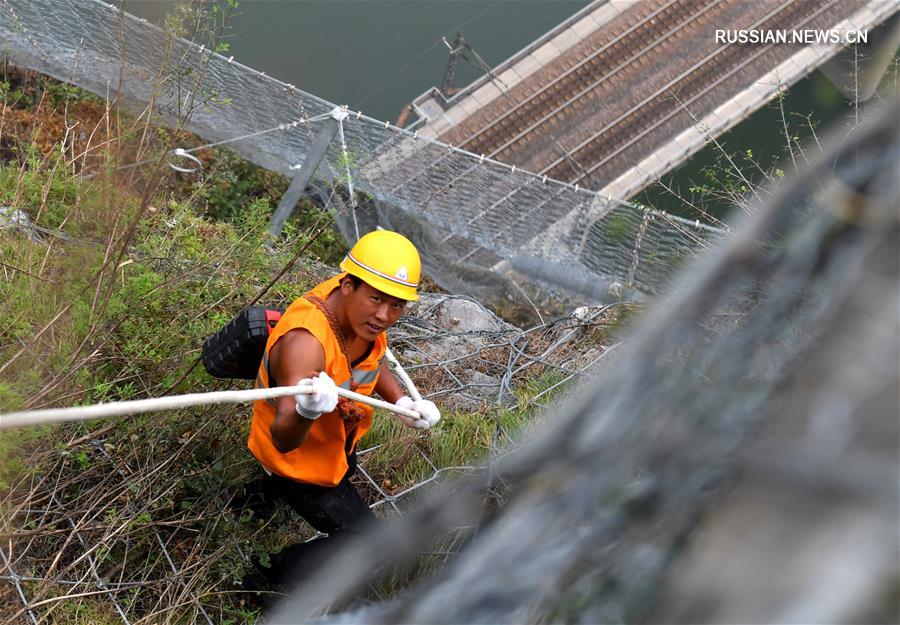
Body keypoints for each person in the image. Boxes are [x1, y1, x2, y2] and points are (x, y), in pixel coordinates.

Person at [239, 229, 440, 601]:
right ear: (348, 284)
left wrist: (401, 402)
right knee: (366, 543)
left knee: (298, 484)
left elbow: (370, 359)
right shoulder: (306, 343)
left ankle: (249, 502)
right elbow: (284, 439)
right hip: (297, 462)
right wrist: (306, 409)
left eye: (396, 304)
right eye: (377, 299)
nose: (384, 315)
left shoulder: (357, 311)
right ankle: (265, 573)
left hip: (331, 447)